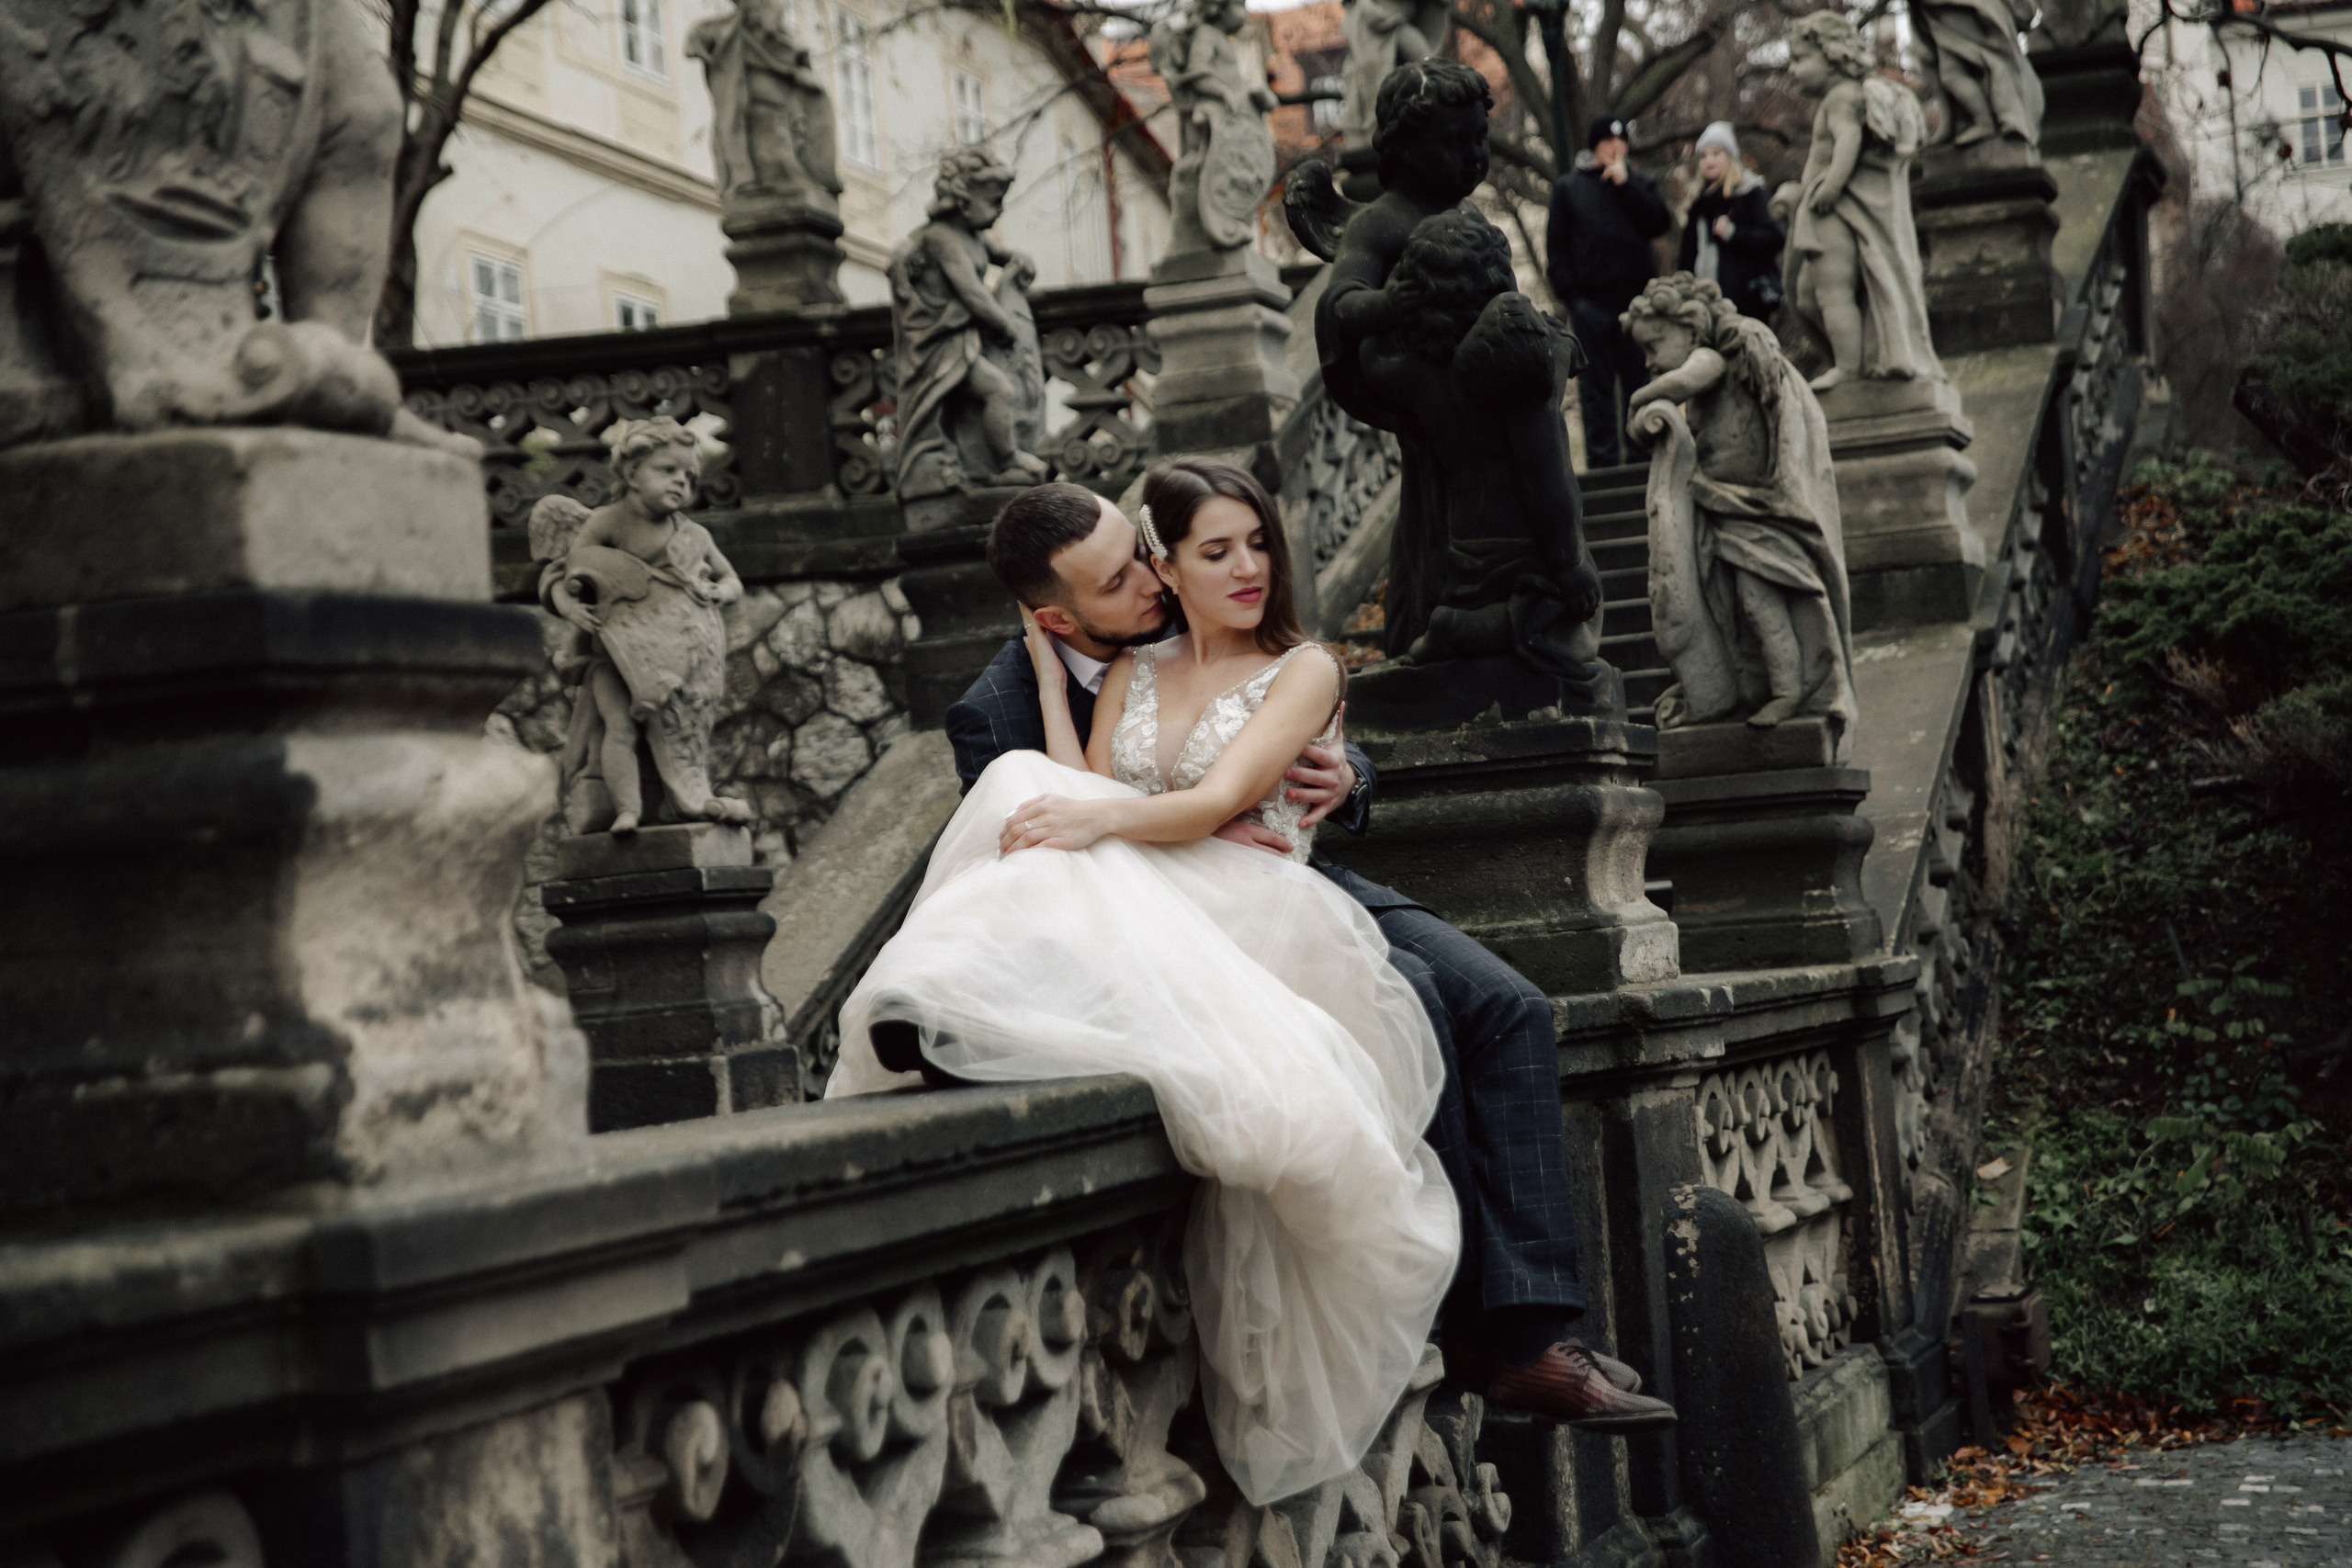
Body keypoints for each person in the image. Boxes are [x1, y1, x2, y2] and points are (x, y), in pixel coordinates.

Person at [882, 467, 1677, 1484]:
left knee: (1506, 1004)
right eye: (1128, 574)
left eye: (1143, 554)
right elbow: (1046, 845)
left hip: (1283, 870)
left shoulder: (1234, 630)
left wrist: (1347, 777)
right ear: (1056, 615)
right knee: (1415, 1009)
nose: (1154, 583)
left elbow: (1270, 735)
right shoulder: (996, 711)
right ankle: (1475, 1326)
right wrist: (1058, 709)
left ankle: (1527, 1327)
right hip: (1161, 906)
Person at [1546, 114, 1670, 468]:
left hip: (1636, 304)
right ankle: (1603, 464)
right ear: (1595, 146)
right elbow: (1557, 250)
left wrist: (1627, 185)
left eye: (1621, 142)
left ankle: (1643, 457)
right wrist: (1573, 299)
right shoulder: (1570, 188)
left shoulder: (1640, 184)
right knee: (1595, 391)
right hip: (1591, 305)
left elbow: (1659, 223)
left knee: (1639, 385)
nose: (1616, 148)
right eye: (1608, 142)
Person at [1675, 122, 1784, 322]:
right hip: (1705, 309)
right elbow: (1686, 261)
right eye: (1704, 155)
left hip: (1747, 309)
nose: (1709, 161)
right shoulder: (1697, 204)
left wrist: (1734, 234)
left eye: (1716, 153)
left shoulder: (1751, 193)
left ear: (1729, 155)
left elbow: (1775, 237)